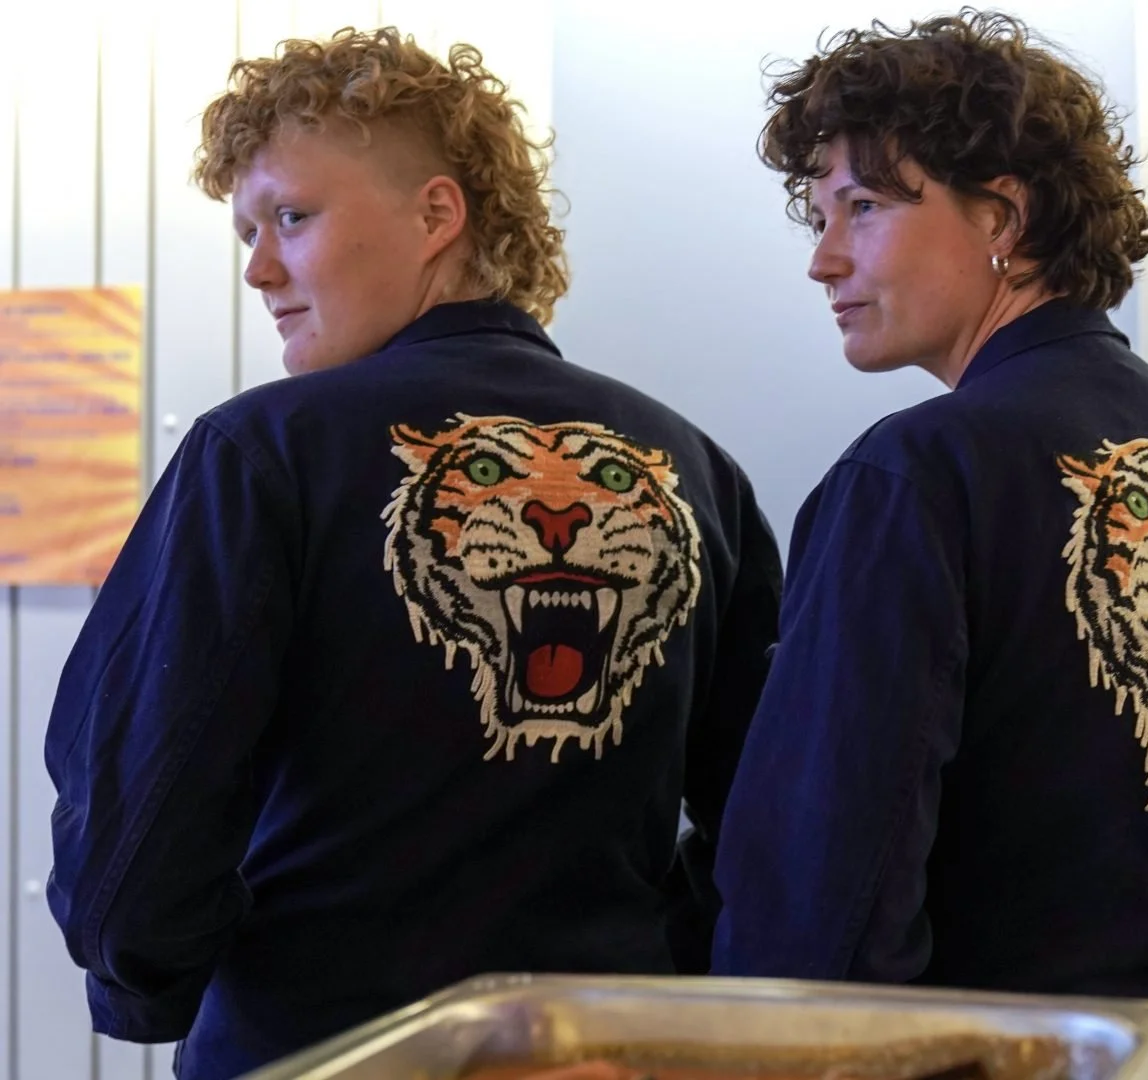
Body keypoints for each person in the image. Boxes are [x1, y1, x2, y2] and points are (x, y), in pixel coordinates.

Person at [45, 28, 781, 1080]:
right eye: (247, 231)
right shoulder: (691, 466)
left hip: (327, 1047)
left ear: (438, 215)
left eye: (292, 218)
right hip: (608, 1049)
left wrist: (146, 982)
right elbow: (769, 812)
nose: (259, 269)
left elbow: (142, 803)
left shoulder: (262, 452)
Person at [709, 11, 1148, 1076]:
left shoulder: (914, 475)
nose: (824, 257)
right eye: (819, 211)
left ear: (1004, 219)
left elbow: (823, 887)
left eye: (867, 206)